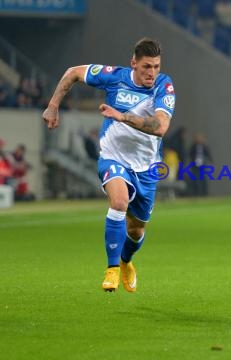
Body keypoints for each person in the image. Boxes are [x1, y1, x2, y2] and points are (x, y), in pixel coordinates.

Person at [42, 38, 176, 292]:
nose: (152, 72)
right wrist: (53, 105)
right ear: (133, 63)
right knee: (118, 202)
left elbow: (161, 127)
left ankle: (126, 261)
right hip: (113, 157)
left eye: (156, 66)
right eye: (147, 66)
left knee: (136, 230)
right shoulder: (113, 76)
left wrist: (123, 116)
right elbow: (73, 73)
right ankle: (112, 269)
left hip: (146, 167)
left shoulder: (163, 86)